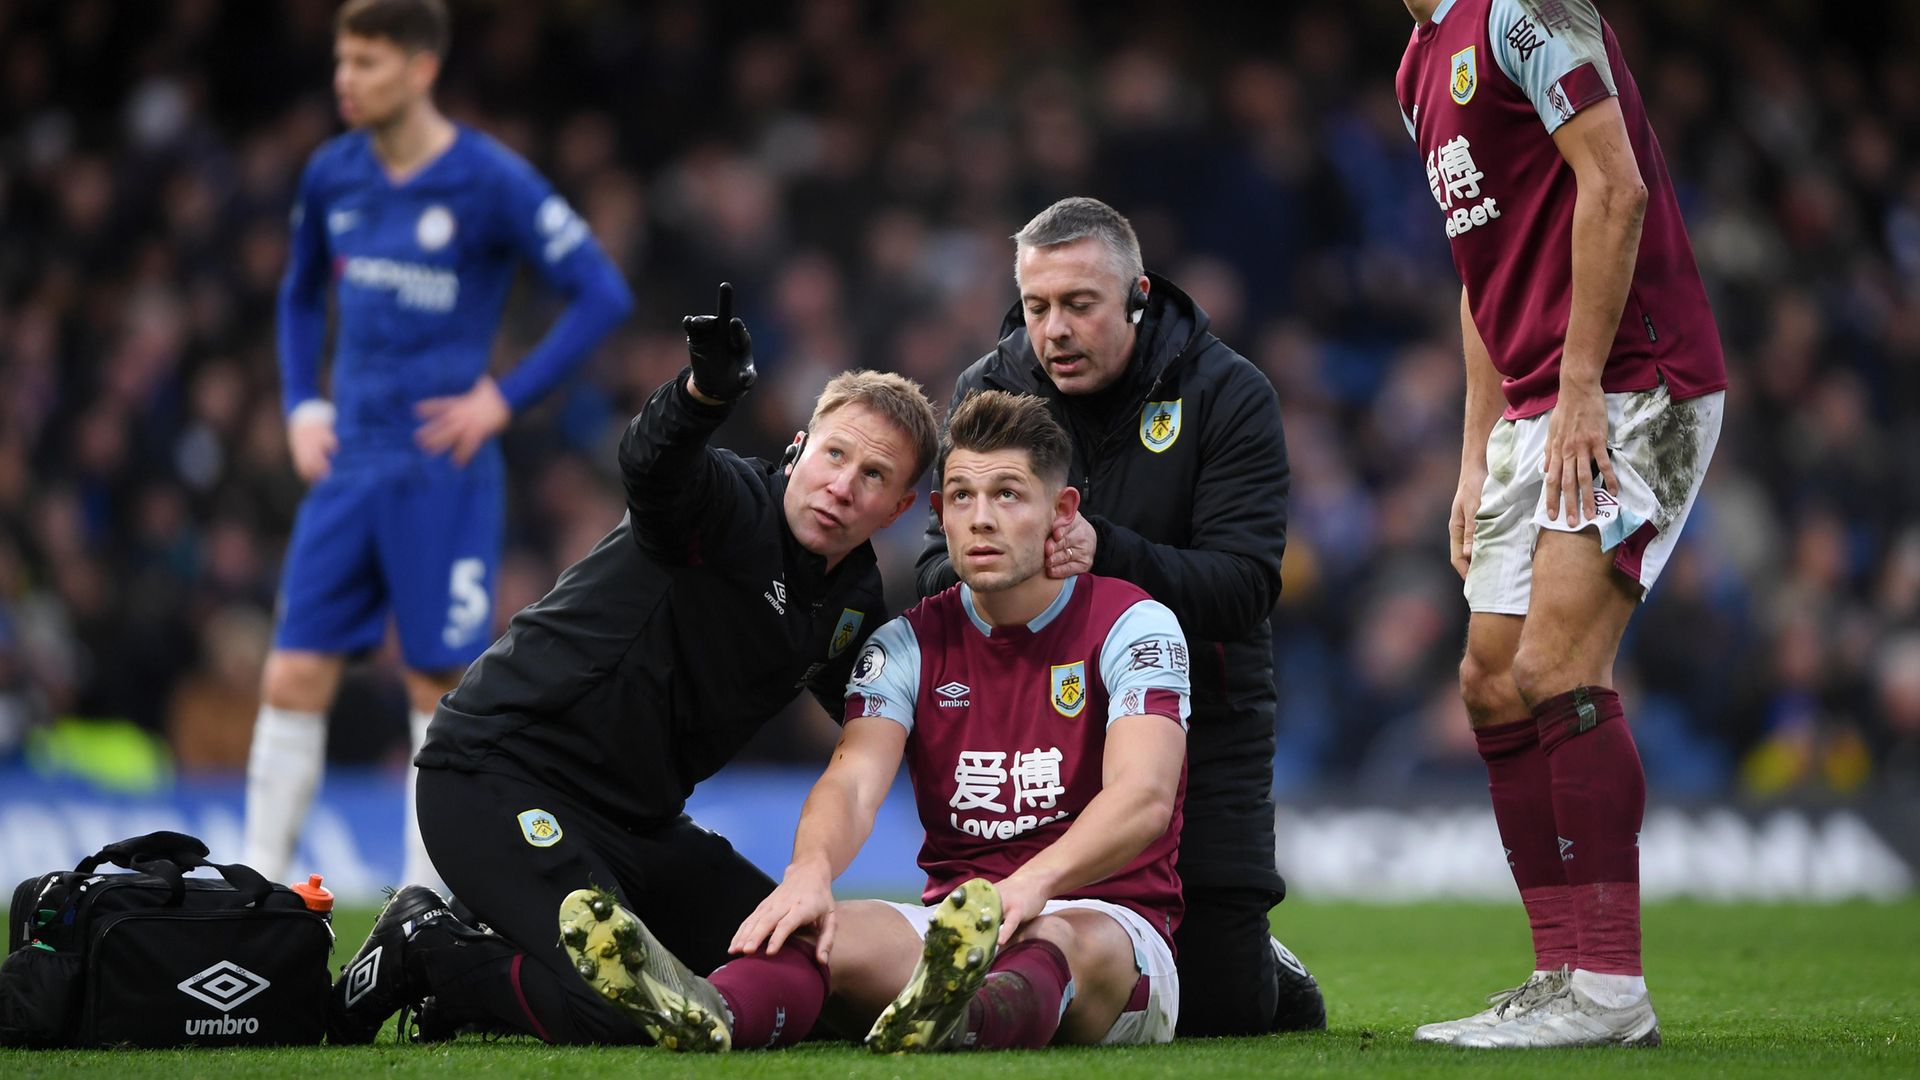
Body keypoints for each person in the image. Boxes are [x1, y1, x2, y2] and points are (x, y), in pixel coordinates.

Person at [324, 283, 941, 1046]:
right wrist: (701, 395)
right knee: (632, 1007)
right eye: (834, 454)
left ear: (901, 507)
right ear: (798, 449)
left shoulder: (851, 604)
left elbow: (902, 724)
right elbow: (652, 465)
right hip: (498, 775)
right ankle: (428, 949)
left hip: (640, 829)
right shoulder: (723, 506)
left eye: (873, 476)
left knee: (791, 969)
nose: (843, 485)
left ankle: (486, 966)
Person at [559, 389, 1191, 1054]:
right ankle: (707, 1012)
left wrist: (1029, 885)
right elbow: (854, 780)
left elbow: (1142, 798)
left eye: (1008, 494)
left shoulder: (1132, 625)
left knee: (1052, 938)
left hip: (1114, 935)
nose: (982, 520)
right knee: (815, 934)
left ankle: (963, 1021)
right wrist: (810, 872)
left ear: (1061, 511)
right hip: (956, 930)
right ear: (939, 514)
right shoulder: (905, 645)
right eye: (964, 499)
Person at [1394, 0, 1728, 1048]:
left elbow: (1617, 187)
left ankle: (1611, 989)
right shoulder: (1416, 65)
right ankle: (1558, 976)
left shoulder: (1522, 12)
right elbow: (1482, 272)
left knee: (1556, 668)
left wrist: (1582, 385)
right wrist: (1474, 452)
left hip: (1633, 379)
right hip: (1534, 403)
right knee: (1489, 680)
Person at [245, 0, 633, 892]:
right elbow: (300, 293)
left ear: (421, 70)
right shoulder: (332, 173)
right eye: (343, 61)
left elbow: (599, 292)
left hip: (440, 471)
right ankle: (258, 886)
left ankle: (431, 897)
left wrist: (502, 397)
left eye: (369, 63)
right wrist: (304, 402)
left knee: (437, 682)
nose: (347, 79)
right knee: (294, 668)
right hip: (348, 465)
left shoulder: (488, 179)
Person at [915, 197, 1323, 1035]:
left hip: (1201, 720)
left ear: (1136, 294)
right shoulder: (989, 389)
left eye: (1079, 305)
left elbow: (1245, 588)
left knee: (1218, 1010)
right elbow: (932, 568)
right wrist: (1014, 568)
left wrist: (1107, 553)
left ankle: (1258, 960)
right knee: (1034, 945)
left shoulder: (1228, 393)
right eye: (1037, 308)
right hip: (1035, 728)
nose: (1053, 330)